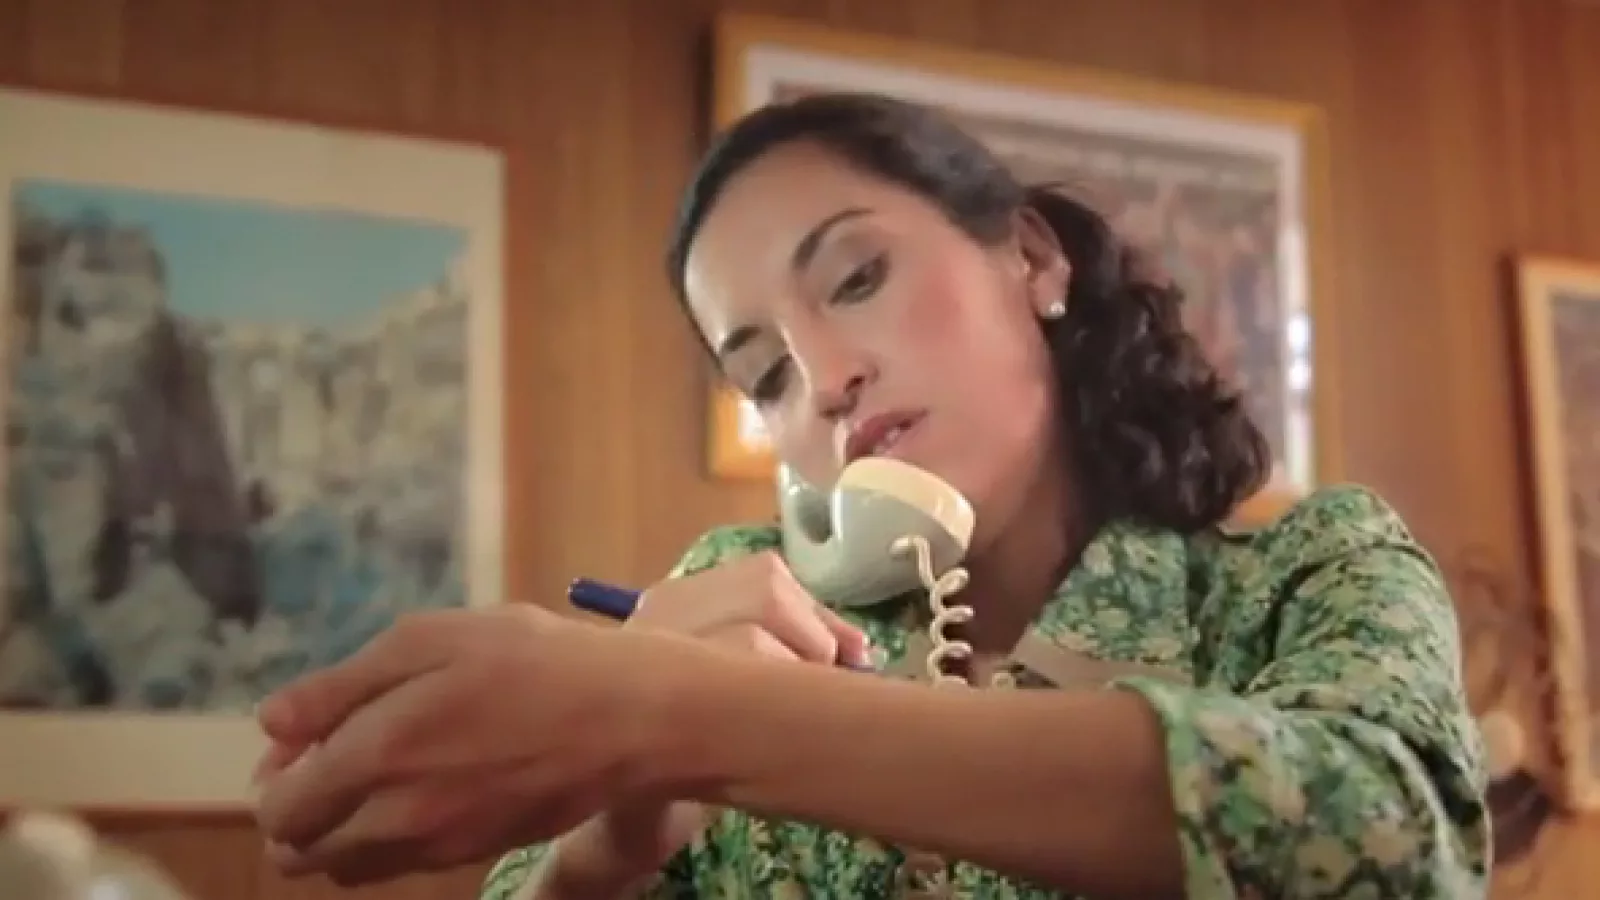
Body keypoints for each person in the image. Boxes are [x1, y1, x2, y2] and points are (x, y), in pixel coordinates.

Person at [251, 93, 1490, 900]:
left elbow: (1389, 846)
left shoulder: (1309, 570)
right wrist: (603, 853)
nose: (827, 380)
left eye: (855, 280)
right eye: (765, 374)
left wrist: (685, 720)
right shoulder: (718, 613)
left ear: (1031, 259)